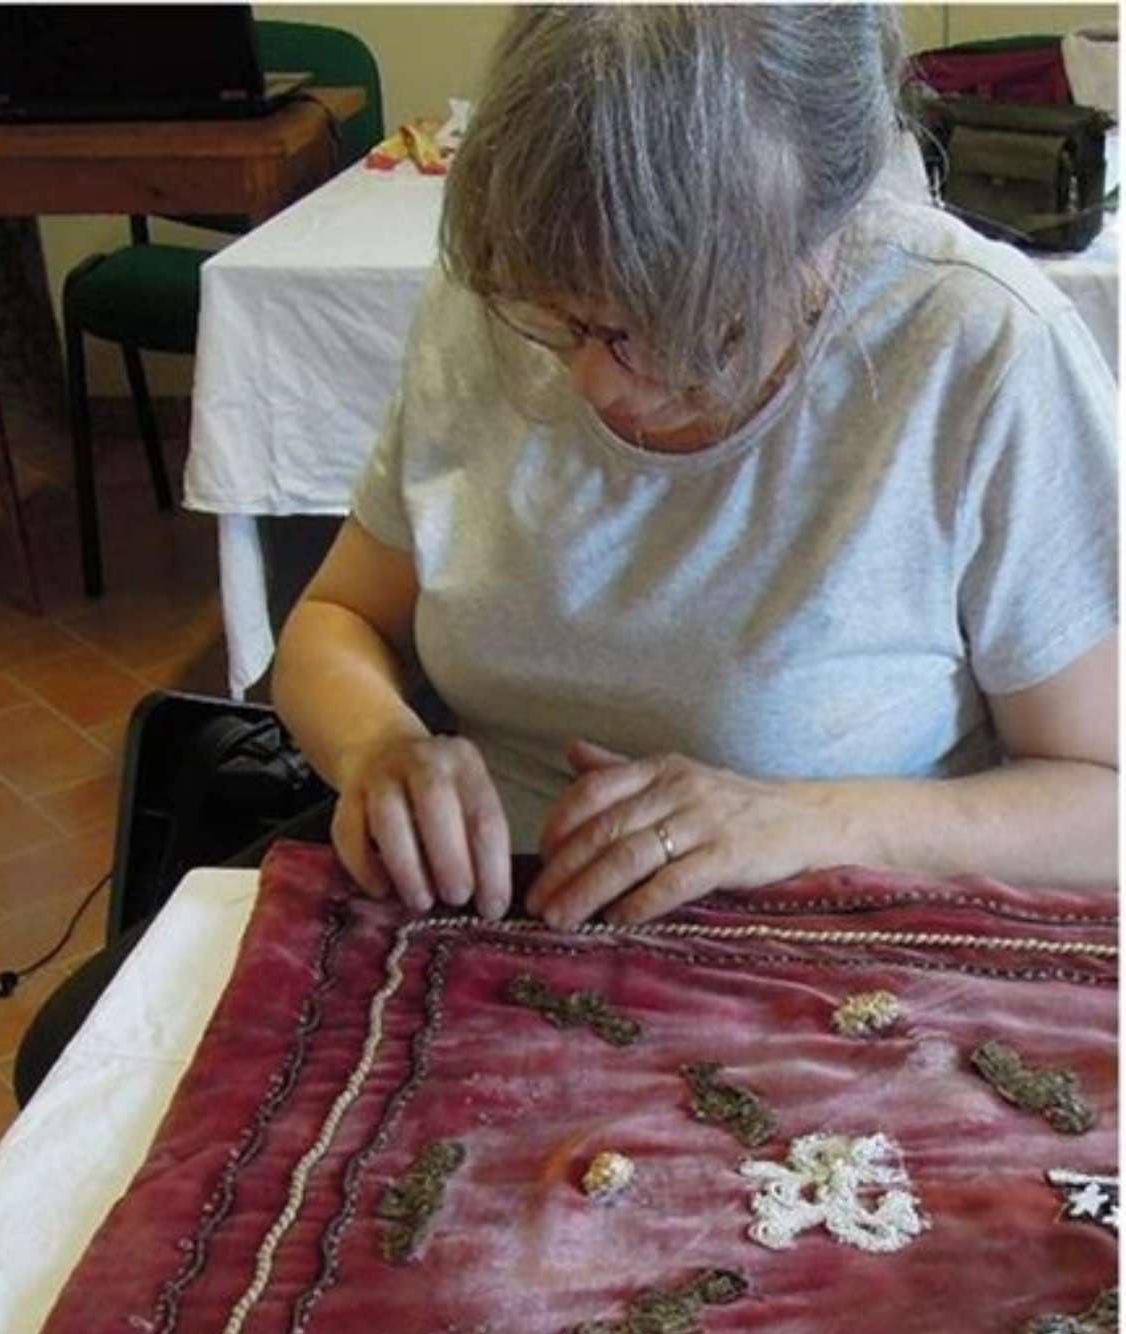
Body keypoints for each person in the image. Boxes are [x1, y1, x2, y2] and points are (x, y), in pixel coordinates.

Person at [272, 3, 1117, 933]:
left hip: (821, 950)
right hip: (483, 923)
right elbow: (338, 617)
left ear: (830, 230)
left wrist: (804, 822)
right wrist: (378, 747)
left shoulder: (976, 347)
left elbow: (1101, 803)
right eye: (562, 324)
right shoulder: (506, 279)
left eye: (683, 331)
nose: (593, 382)